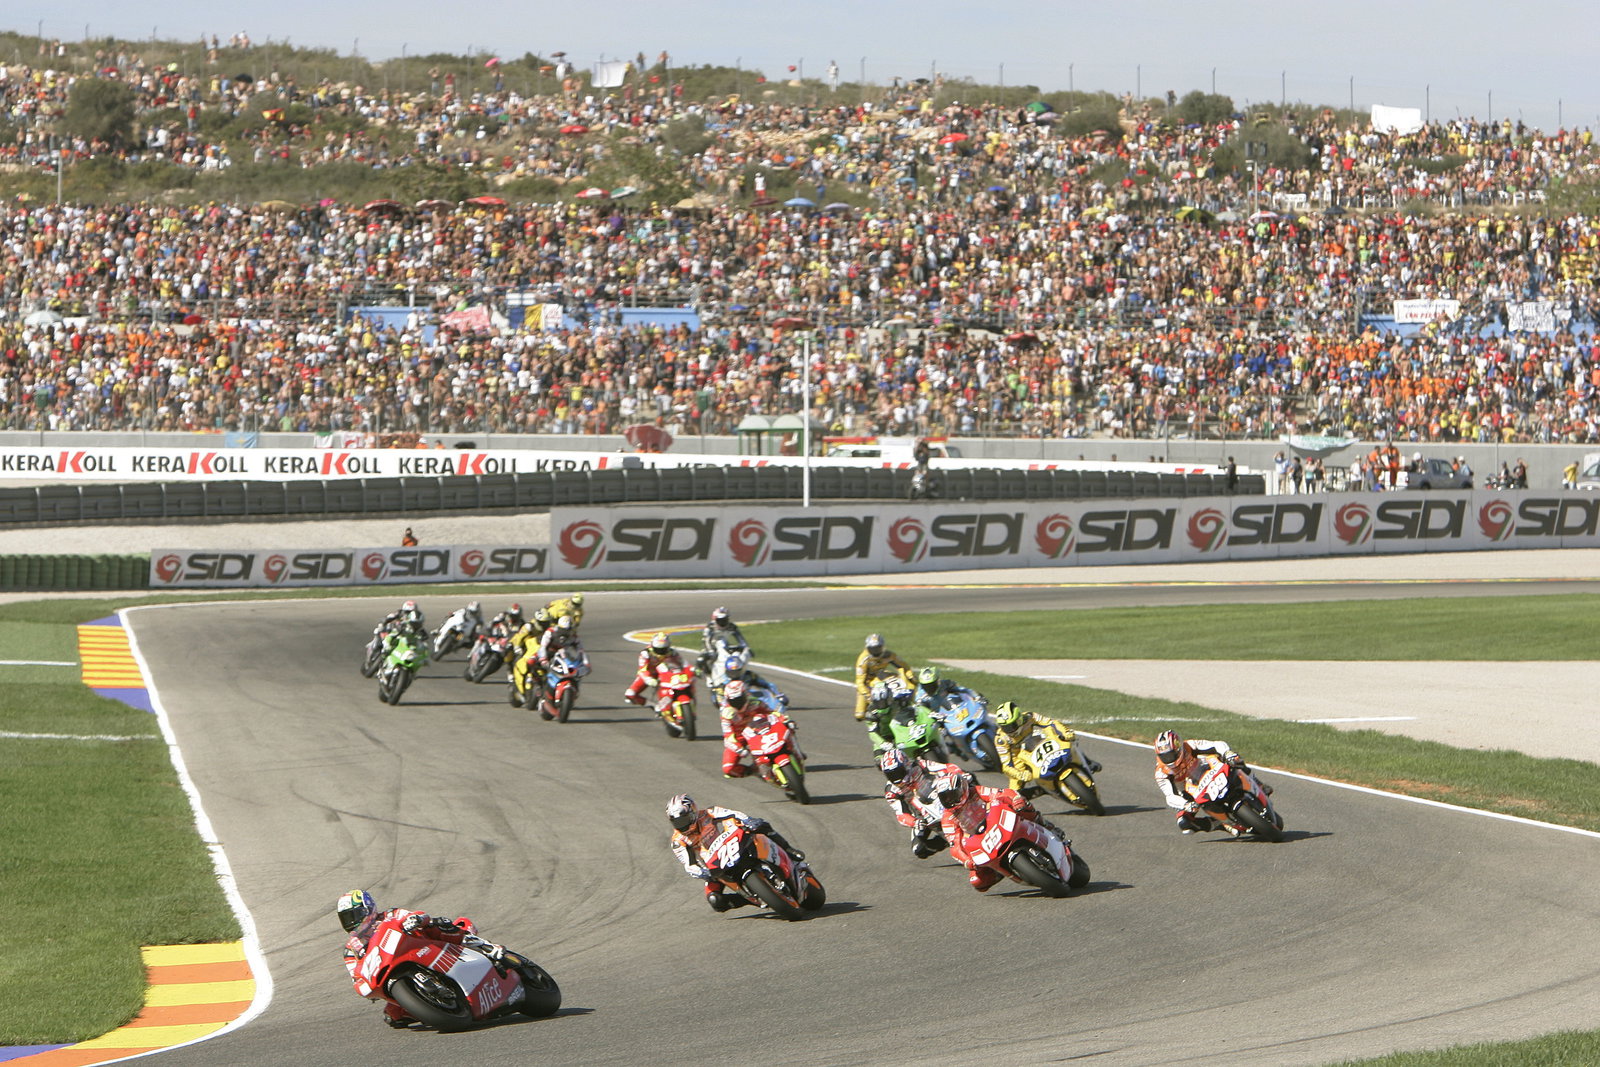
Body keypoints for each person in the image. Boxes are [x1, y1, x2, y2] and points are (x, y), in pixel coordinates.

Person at [337, 889, 506, 1029]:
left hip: (423, 947)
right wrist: (364, 985)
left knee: (437, 925)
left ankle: (485, 947)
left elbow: (416, 916)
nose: (352, 921)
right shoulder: (351, 949)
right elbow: (355, 975)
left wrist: (415, 919)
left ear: (368, 908)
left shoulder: (389, 915)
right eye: (346, 918)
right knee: (393, 1017)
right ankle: (434, 1005)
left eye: (354, 914)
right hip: (389, 970)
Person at [666, 794, 805, 912]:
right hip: (714, 867)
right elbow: (689, 864)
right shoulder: (678, 841)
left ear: (693, 813)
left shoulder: (709, 813)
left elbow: (733, 814)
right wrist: (702, 873)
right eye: (677, 823)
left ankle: (788, 850)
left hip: (732, 844)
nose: (682, 826)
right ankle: (751, 898)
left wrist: (747, 820)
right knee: (715, 901)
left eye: (684, 820)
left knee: (761, 825)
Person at [933, 771, 1068, 892]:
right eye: (945, 797)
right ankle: (998, 871)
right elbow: (954, 845)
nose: (950, 800)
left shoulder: (977, 791)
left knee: (1022, 806)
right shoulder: (948, 817)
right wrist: (966, 861)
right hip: (981, 839)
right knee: (977, 882)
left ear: (962, 787)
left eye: (952, 795)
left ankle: (1046, 825)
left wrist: (1015, 799)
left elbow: (1001, 793)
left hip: (997, 821)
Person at [1153, 729, 1269, 836]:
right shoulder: (1161, 773)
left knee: (1235, 761)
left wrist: (1227, 753)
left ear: (1178, 748)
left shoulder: (1189, 745)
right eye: (1165, 756)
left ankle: (1257, 783)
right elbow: (1170, 796)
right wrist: (1186, 804)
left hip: (1207, 770)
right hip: (1189, 792)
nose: (1169, 759)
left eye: (1171, 754)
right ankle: (1221, 823)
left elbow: (1216, 744)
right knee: (1185, 824)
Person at [993, 701, 1101, 796]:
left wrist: (1065, 732)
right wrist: (1020, 774)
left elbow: (1050, 722)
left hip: (1038, 741)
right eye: (1005, 727)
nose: (1009, 730)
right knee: (1013, 794)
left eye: (1012, 725)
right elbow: (1006, 766)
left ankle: (1087, 761)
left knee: (1067, 740)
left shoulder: (1030, 717)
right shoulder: (1001, 740)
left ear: (1019, 719)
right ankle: (1042, 790)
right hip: (1019, 756)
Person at [879, 748, 961, 858]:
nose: (896, 777)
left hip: (939, 796)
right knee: (919, 849)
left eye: (898, 772)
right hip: (921, 816)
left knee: (968, 778)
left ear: (906, 764)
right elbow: (901, 814)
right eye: (891, 774)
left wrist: (959, 774)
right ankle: (947, 841)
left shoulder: (919, 765)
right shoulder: (891, 791)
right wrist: (914, 822)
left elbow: (946, 767)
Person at [718, 679, 794, 778]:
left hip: (758, 731)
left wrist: (785, 719)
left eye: (739, 699)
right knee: (728, 769)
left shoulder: (755, 703)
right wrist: (738, 749)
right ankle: (753, 770)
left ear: (745, 695)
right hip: (739, 738)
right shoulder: (726, 713)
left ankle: (793, 750)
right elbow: (727, 736)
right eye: (733, 700)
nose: (737, 703)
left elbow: (772, 713)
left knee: (787, 727)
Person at [854, 633, 913, 721]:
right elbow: (859, 682)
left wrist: (910, 676)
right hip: (867, 683)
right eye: (873, 649)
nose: (875, 651)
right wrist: (868, 695)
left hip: (882, 676)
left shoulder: (889, 655)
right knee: (859, 715)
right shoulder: (863, 660)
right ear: (867, 648)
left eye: (877, 648)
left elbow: (904, 666)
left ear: (882, 647)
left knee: (902, 682)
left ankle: (904, 701)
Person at [625, 632, 687, 706]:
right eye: (658, 649)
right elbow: (642, 670)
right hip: (650, 675)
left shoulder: (672, 653)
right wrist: (648, 679)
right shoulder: (646, 653)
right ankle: (653, 705)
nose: (660, 652)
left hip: (666, 675)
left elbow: (682, 665)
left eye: (663, 649)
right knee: (630, 694)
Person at [863, 679, 918, 752]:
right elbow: (872, 733)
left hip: (903, 733)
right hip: (884, 738)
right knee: (879, 760)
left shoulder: (900, 701)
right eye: (878, 702)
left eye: (884, 702)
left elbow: (915, 708)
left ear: (890, 696)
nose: (882, 705)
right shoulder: (870, 713)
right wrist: (883, 744)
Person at [698, 606, 749, 671]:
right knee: (701, 660)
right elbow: (706, 641)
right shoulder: (710, 627)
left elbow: (740, 638)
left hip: (725, 646)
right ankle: (709, 677)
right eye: (720, 620)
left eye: (725, 620)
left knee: (736, 656)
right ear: (715, 620)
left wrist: (746, 647)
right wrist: (711, 651)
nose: (723, 622)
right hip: (710, 647)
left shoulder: (732, 626)